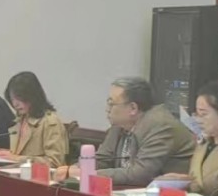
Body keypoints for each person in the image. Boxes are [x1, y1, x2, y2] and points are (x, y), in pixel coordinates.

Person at [58, 78, 195, 187]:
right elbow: (103, 158)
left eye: (111, 104)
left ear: (133, 108)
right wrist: (73, 169)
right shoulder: (120, 124)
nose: (107, 109)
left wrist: (88, 174)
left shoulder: (161, 126)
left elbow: (140, 174)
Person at [0, 71, 67, 168]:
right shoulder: (21, 120)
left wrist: (17, 159)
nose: (15, 104)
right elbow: (20, 153)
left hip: (42, 176)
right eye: (12, 99)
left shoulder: (50, 122)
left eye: (19, 98)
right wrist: (1, 152)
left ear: (32, 96)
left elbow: (55, 162)